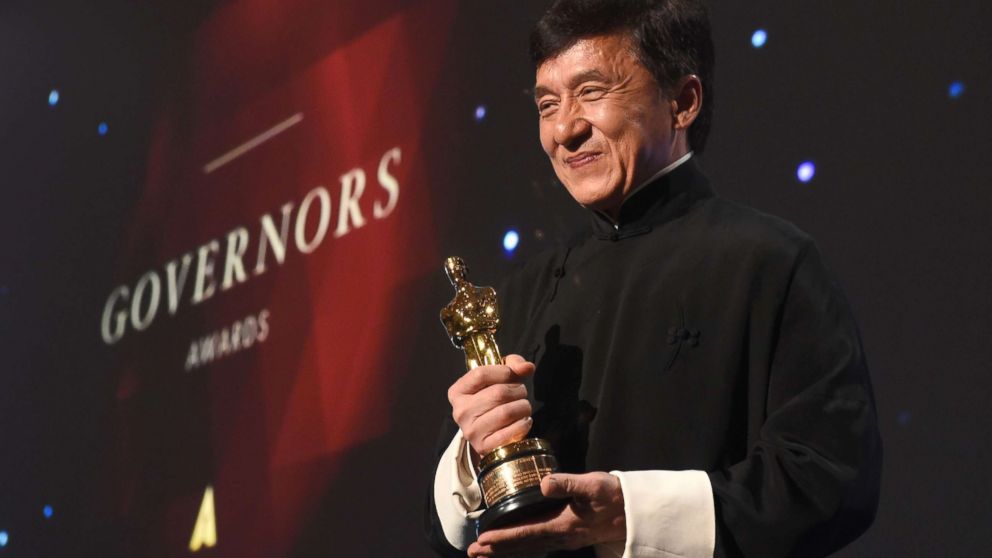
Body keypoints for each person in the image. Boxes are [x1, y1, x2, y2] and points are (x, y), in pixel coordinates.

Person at [425, 1, 882, 556]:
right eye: (547, 104)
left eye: (591, 92)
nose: (565, 129)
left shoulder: (769, 261)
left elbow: (830, 476)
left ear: (682, 101)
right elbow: (446, 536)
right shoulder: (525, 293)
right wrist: (473, 461)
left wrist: (632, 515)